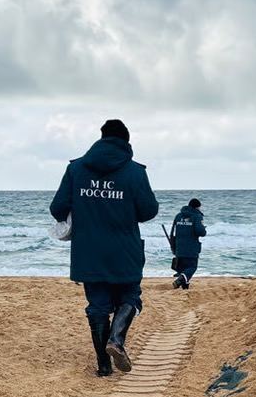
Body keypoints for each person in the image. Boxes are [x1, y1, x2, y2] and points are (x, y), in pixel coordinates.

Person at [49, 119, 159, 377]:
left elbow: (57, 209)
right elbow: (148, 211)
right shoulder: (135, 172)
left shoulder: (76, 169)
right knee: (130, 296)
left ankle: (103, 365)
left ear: (100, 138)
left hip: (89, 251)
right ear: (127, 142)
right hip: (125, 249)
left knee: (97, 305)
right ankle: (116, 340)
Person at [172, 198, 207, 289]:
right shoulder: (197, 216)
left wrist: (173, 246)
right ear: (197, 207)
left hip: (179, 247)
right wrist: (204, 228)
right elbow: (200, 232)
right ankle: (180, 280)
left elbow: (173, 232)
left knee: (184, 268)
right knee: (192, 267)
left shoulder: (178, 216)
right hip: (191, 248)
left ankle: (185, 285)